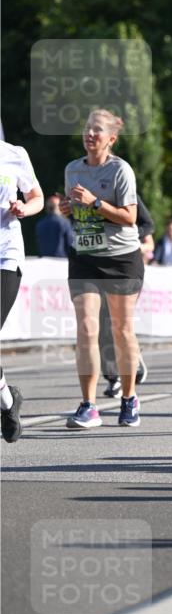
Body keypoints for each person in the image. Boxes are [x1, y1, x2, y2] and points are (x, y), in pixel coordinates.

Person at [60, 109, 143, 428]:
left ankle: (129, 398)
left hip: (121, 258)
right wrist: (70, 208)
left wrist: (95, 202)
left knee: (121, 331)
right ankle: (88, 405)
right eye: (86, 129)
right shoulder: (72, 169)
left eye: (97, 131)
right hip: (85, 256)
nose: (90, 135)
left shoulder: (121, 170)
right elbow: (77, 213)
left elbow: (130, 216)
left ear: (111, 138)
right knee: (87, 330)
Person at [0, 141, 44, 442]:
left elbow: (37, 197)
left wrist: (24, 208)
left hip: (5, 253)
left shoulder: (14, 154)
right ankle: (8, 401)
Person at [100, 194, 154, 397]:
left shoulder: (124, 188)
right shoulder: (80, 181)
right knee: (100, 324)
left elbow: (148, 225)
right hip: (95, 263)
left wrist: (124, 233)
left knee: (118, 324)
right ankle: (113, 377)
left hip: (124, 266)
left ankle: (132, 359)